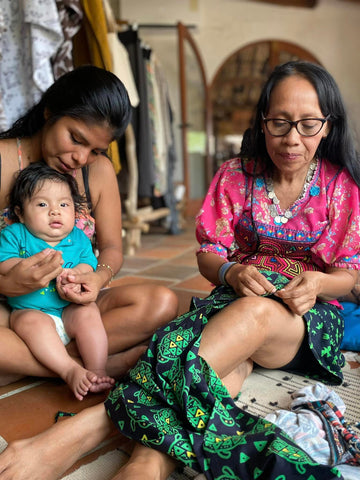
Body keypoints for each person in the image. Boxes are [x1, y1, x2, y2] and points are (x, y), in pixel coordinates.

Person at [1, 60, 359, 480]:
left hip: (300, 317)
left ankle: (87, 428)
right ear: (262, 121)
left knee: (241, 316)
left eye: (308, 124)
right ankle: (147, 463)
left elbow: (348, 274)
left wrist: (316, 282)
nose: (292, 138)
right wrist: (229, 273)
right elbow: (211, 254)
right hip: (230, 299)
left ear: (329, 127)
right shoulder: (235, 174)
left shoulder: (342, 186)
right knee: (214, 355)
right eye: (279, 122)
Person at [0, 65, 178, 387]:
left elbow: (111, 249)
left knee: (162, 302)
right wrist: (9, 284)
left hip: (76, 308)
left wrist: (97, 277)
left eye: (95, 150)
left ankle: (34, 363)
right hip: (12, 311)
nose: (81, 158)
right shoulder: (2, 159)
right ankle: (95, 365)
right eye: (76, 138)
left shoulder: (98, 172)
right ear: (50, 112)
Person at [0, 162, 115, 400]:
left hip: (69, 309)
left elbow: (88, 264)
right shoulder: (14, 235)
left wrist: (77, 277)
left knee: (89, 312)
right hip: (31, 310)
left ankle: (96, 371)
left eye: (64, 204)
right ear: (20, 212)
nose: (55, 211)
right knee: (29, 321)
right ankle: (69, 369)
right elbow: (4, 263)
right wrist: (24, 269)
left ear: (75, 210)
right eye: (42, 204)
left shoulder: (79, 238)